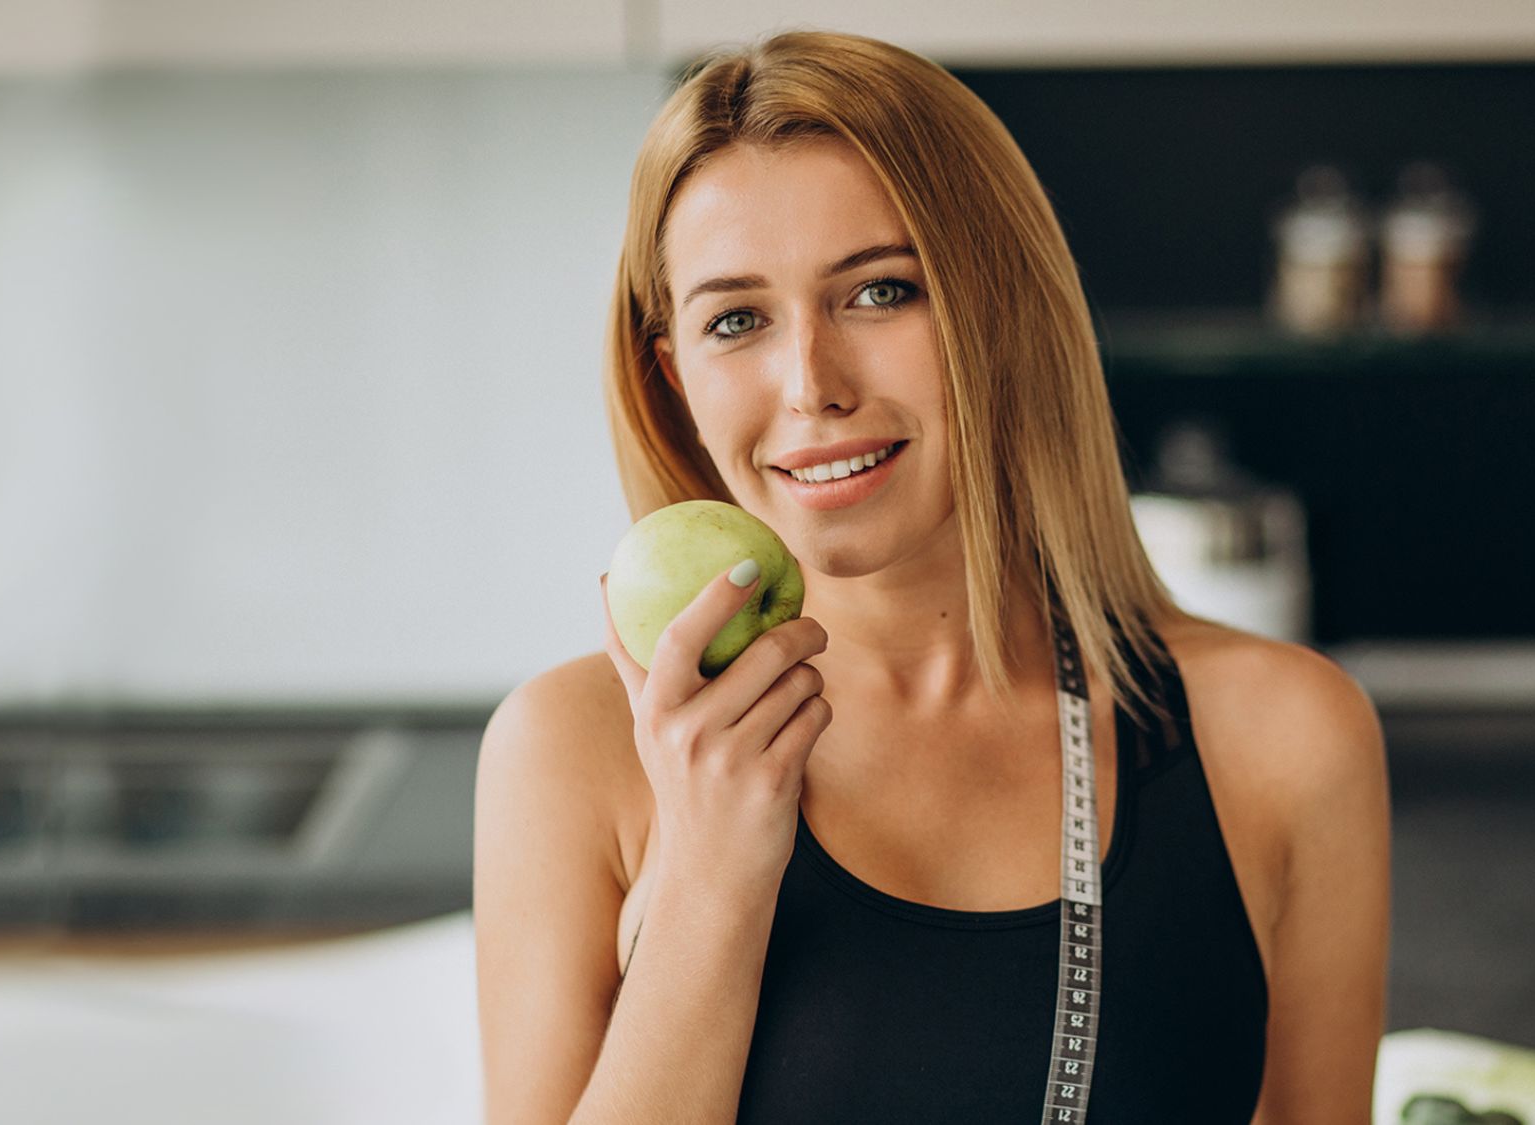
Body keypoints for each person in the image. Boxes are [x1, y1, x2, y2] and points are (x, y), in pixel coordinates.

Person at [474, 29, 1390, 1125]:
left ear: (1000, 313)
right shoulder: (571, 754)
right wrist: (710, 876)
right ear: (675, 378)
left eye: (879, 294)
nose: (810, 384)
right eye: (736, 320)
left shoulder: (1282, 737)